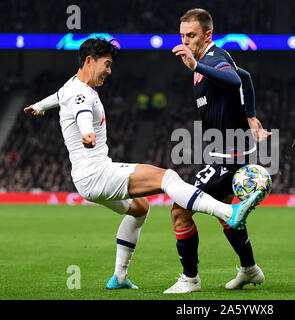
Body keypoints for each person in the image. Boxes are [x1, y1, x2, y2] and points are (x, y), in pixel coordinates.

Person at [23, 38, 263, 290]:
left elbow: (58, 96)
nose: (109, 71)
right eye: (106, 64)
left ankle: (120, 277)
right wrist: (87, 133)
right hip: (97, 174)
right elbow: (82, 112)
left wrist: (39, 106)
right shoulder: (82, 93)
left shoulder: (71, 86)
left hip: (85, 178)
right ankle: (228, 212)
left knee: (139, 208)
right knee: (167, 177)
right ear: (89, 61)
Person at [165, 8, 271, 294]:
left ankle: (190, 279)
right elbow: (246, 77)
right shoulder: (206, 60)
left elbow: (235, 81)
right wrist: (250, 116)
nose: (185, 42)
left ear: (207, 34)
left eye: (192, 36)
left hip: (230, 156)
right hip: (223, 153)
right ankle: (250, 269)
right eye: (182, 36)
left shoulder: (212, 58)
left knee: (180, 211)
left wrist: (196, 67)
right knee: (226, 212)